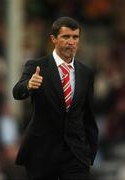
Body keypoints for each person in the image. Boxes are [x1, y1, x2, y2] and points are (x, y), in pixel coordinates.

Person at [13, 17, 98, 180]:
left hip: (76, 155)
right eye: (66, 37)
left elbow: (88, 115)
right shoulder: (37, 66)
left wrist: (90, 152)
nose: (71, 42)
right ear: (53, 39)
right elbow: (17, 91)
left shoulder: (86, 72)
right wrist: (29, 85)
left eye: (75, 37)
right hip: (42, 153)